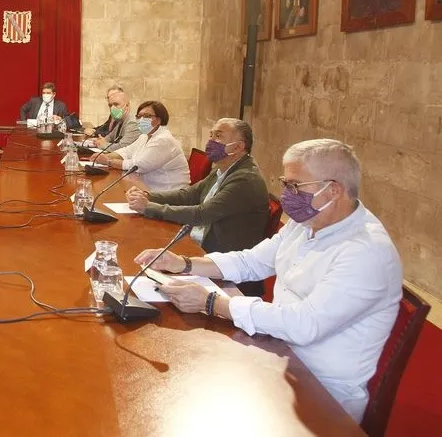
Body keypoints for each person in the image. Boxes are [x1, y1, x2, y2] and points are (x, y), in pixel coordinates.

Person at [134, 139, 402, 424]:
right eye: (286, 184)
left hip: (320, 394)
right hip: (277, 353)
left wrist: (212, 302)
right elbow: (253, 261)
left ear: (334, 190)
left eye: (295, 186)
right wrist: (185, 263)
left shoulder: (366, 252)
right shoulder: (308, 222)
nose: (287, 195)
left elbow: (304, 325)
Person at [126, 117, 268, 295]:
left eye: (218, 136)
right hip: (201, 246)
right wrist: (149, 196)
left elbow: (203, 214)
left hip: (223, 267)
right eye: (211, 135)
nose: (210, 141)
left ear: (237, 147)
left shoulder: (245, 179)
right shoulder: (223, 168)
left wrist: (149, 208)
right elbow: (190, 194)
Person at [96, 100, 189, 192]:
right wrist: (103, 156)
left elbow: (139, 165)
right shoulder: (144, 136)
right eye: (139, 116)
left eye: (147, 116)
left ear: (159, 119)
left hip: (169, 195)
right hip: (147, 190)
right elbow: (127, 151)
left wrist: (108, 161)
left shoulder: (164, 140)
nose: (141, 120)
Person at [87, 88, 140, 152]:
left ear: (127, 106)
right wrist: (102, 141)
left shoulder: (133, 122)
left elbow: (123, 147)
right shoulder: (121, 120)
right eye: (110, 105)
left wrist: (103, 144)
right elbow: (109, 138)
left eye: (116, 104)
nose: (112, 108)